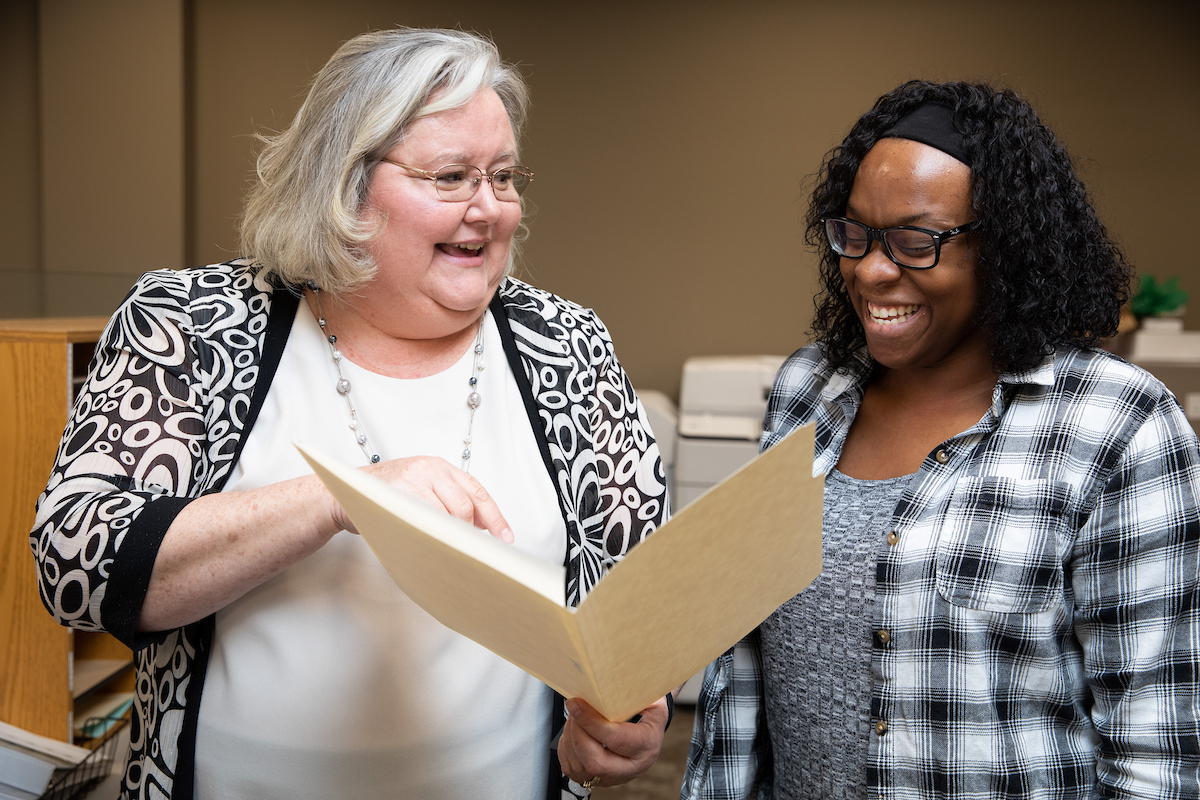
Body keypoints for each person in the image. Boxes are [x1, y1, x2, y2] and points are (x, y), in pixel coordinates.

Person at [30, 28, 672, 800]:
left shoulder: (566, 343)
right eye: (450, 176)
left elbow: (639, 586)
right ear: (341, 183)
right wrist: (341, 497)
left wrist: (628, 709)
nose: (490, 209)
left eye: (504, 177)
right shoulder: (191, 325)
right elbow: (77, 564)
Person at [681, 80, 1200, 799]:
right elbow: (742, 677)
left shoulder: (1118, 426)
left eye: (915, 241)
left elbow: (1158, 755)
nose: (870, 269)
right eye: (853, 234)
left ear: (1008, 251)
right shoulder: (811, 388)